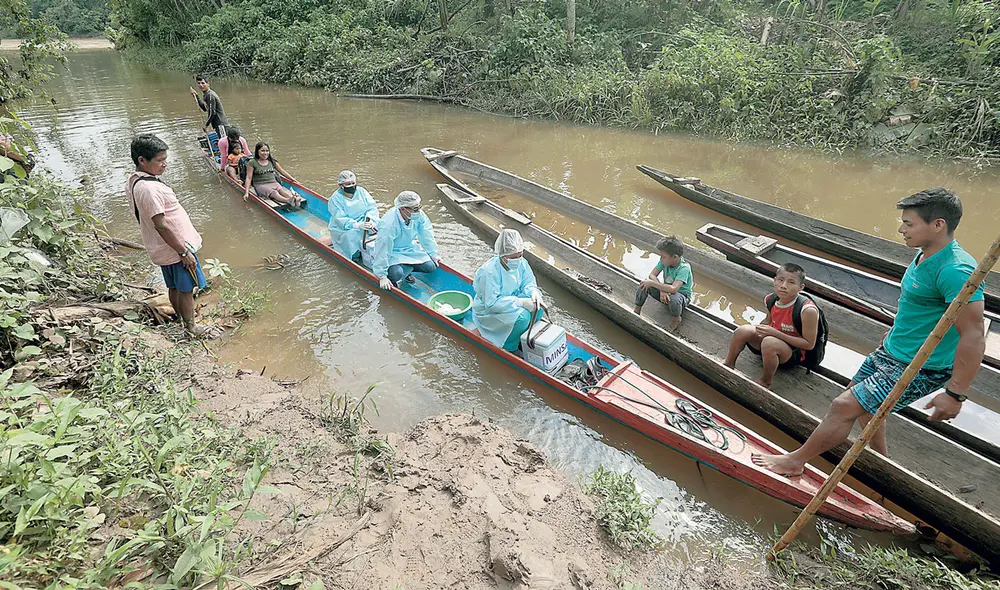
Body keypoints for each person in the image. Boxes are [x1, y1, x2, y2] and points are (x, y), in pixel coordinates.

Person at [753, 188, 985, 476]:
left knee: (842, 407)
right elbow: (918, 307)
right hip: (892, 351)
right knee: (864, 409)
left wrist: (956, 393)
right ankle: (882, 468)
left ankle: (795, 461)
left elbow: (974, 334)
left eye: (909, 224)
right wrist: (894, 333)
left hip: (919, 366)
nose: (901, 229)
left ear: (937, 225)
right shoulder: (925, 255)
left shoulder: (956, 270)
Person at [126, 134, 215, 338]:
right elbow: (162, 225)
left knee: (174, 286)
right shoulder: (148, 189)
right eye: (159, 160)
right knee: (185, 288)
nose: (164, 164)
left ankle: (183, 321)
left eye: (165, 159)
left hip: (166, 247)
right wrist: (183, 251)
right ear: (142, 160)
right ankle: (192, 328)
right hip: (174, 248)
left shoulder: (137, 181)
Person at [724, 263, 820, 388]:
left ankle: (765, 381)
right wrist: (759, 330)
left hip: (793, 352)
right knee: (742, 330)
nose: (784, 286)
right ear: (774, 281)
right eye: (780, 280)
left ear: (800, 287)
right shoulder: (771, 299)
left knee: (769, 342)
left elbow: (809, 344)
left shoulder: (807, 310)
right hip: (772, 343)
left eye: (791, 282)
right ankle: (728, 364)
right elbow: (768, 321)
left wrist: (775, 333)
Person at [472, 229, 545, 352]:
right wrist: (520, 302)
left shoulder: (522, 263)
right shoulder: (489, 272)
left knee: (539, 307)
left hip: (511, 301)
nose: (518, 259)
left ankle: (525, 339)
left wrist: (533, 292)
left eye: (520, 255)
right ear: (503, 255)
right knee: (523, 318)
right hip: (489, 312)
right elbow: (491, 304)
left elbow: (528, 282)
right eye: (513, 257)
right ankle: (509, 346)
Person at [373, 191, 442, 290]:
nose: (419, 211)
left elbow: (426, 233)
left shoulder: (418, 215)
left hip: (408, 249)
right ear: (402, 208)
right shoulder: (389, 224)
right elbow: (383, 248)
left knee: (430, 267)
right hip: (392, 252)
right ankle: (392, 279)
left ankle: (406, 272)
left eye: (419, 207)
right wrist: (381, 276)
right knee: (397, 273)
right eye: (415, 208)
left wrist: (433, 253)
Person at [633, 235, 693, 330]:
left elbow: (674, 289)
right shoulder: (664, 261)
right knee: (645, 283)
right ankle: (637, 310)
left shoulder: (684, 268)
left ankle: (676, 319)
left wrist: (655, 285)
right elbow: (652, 275)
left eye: (663, 256)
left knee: (674, 298)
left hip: (681, 296)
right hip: (666, 292)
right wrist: (662, 290)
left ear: (675, 257)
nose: (661, 259)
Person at [324, 170, 380, 260]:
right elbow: (340, 218)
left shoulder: (361, 191)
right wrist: (357, 225)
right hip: (343, 227)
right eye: (348, 184)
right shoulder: (335, 199)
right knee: (351, 235)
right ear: (341, 186)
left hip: (364, 221)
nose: (351, 186)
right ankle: (354, 255)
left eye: (353, 183)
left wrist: (370, 220)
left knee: (380, 225)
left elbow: (372, 207)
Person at [242, 142, 305, 207]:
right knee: (274, 193)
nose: (265, 153)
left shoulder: (271, 161)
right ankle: (288, 200)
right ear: (257, 151)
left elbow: (282, 171)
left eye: (267, 151)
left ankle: (294, 199)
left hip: (273, 182)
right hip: (260, 185)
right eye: (262, 151)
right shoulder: (252, 162)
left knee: (282, 191)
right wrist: (246, 192)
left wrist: (294, 180)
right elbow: (249, 177)